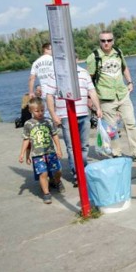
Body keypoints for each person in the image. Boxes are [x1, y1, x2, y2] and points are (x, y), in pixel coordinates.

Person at [86, 31, 136, 162]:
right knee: (112, 128)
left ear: (113, 41)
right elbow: (89, 79)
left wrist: (130, 82)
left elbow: (124, 68)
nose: (106, 43)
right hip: (105, 97)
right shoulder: (94, 57)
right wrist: (90, 98)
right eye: (103, 41)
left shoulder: (118, 53)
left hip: (122, 94)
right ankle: (116, 153)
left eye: (109, 40)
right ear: (100, 42)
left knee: (131, 123)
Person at [46, 57, 102, 187]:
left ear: (76, 59)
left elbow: (91, 91)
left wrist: (97, 107)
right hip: (65, 115)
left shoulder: (83, 73)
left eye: (73, 58)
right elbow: (49, 95)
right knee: (71, 146)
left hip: (83, 113)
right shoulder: (56, 74)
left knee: (84, 145)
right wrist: (53, 114)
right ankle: (77, 173)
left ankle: (83, 168)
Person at [18, 98, 64, 204]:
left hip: (50, 152)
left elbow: (55, 135)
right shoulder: (28, 124)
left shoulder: (48, 121)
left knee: (58, 170)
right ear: (30, 110)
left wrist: (59, 149)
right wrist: (23, 154)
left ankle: (57, 181)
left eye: (42, 110)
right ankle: (46, 193)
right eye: (37, 111)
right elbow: (26, 140)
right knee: (43, 173)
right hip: (37, 155)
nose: (40, 113)